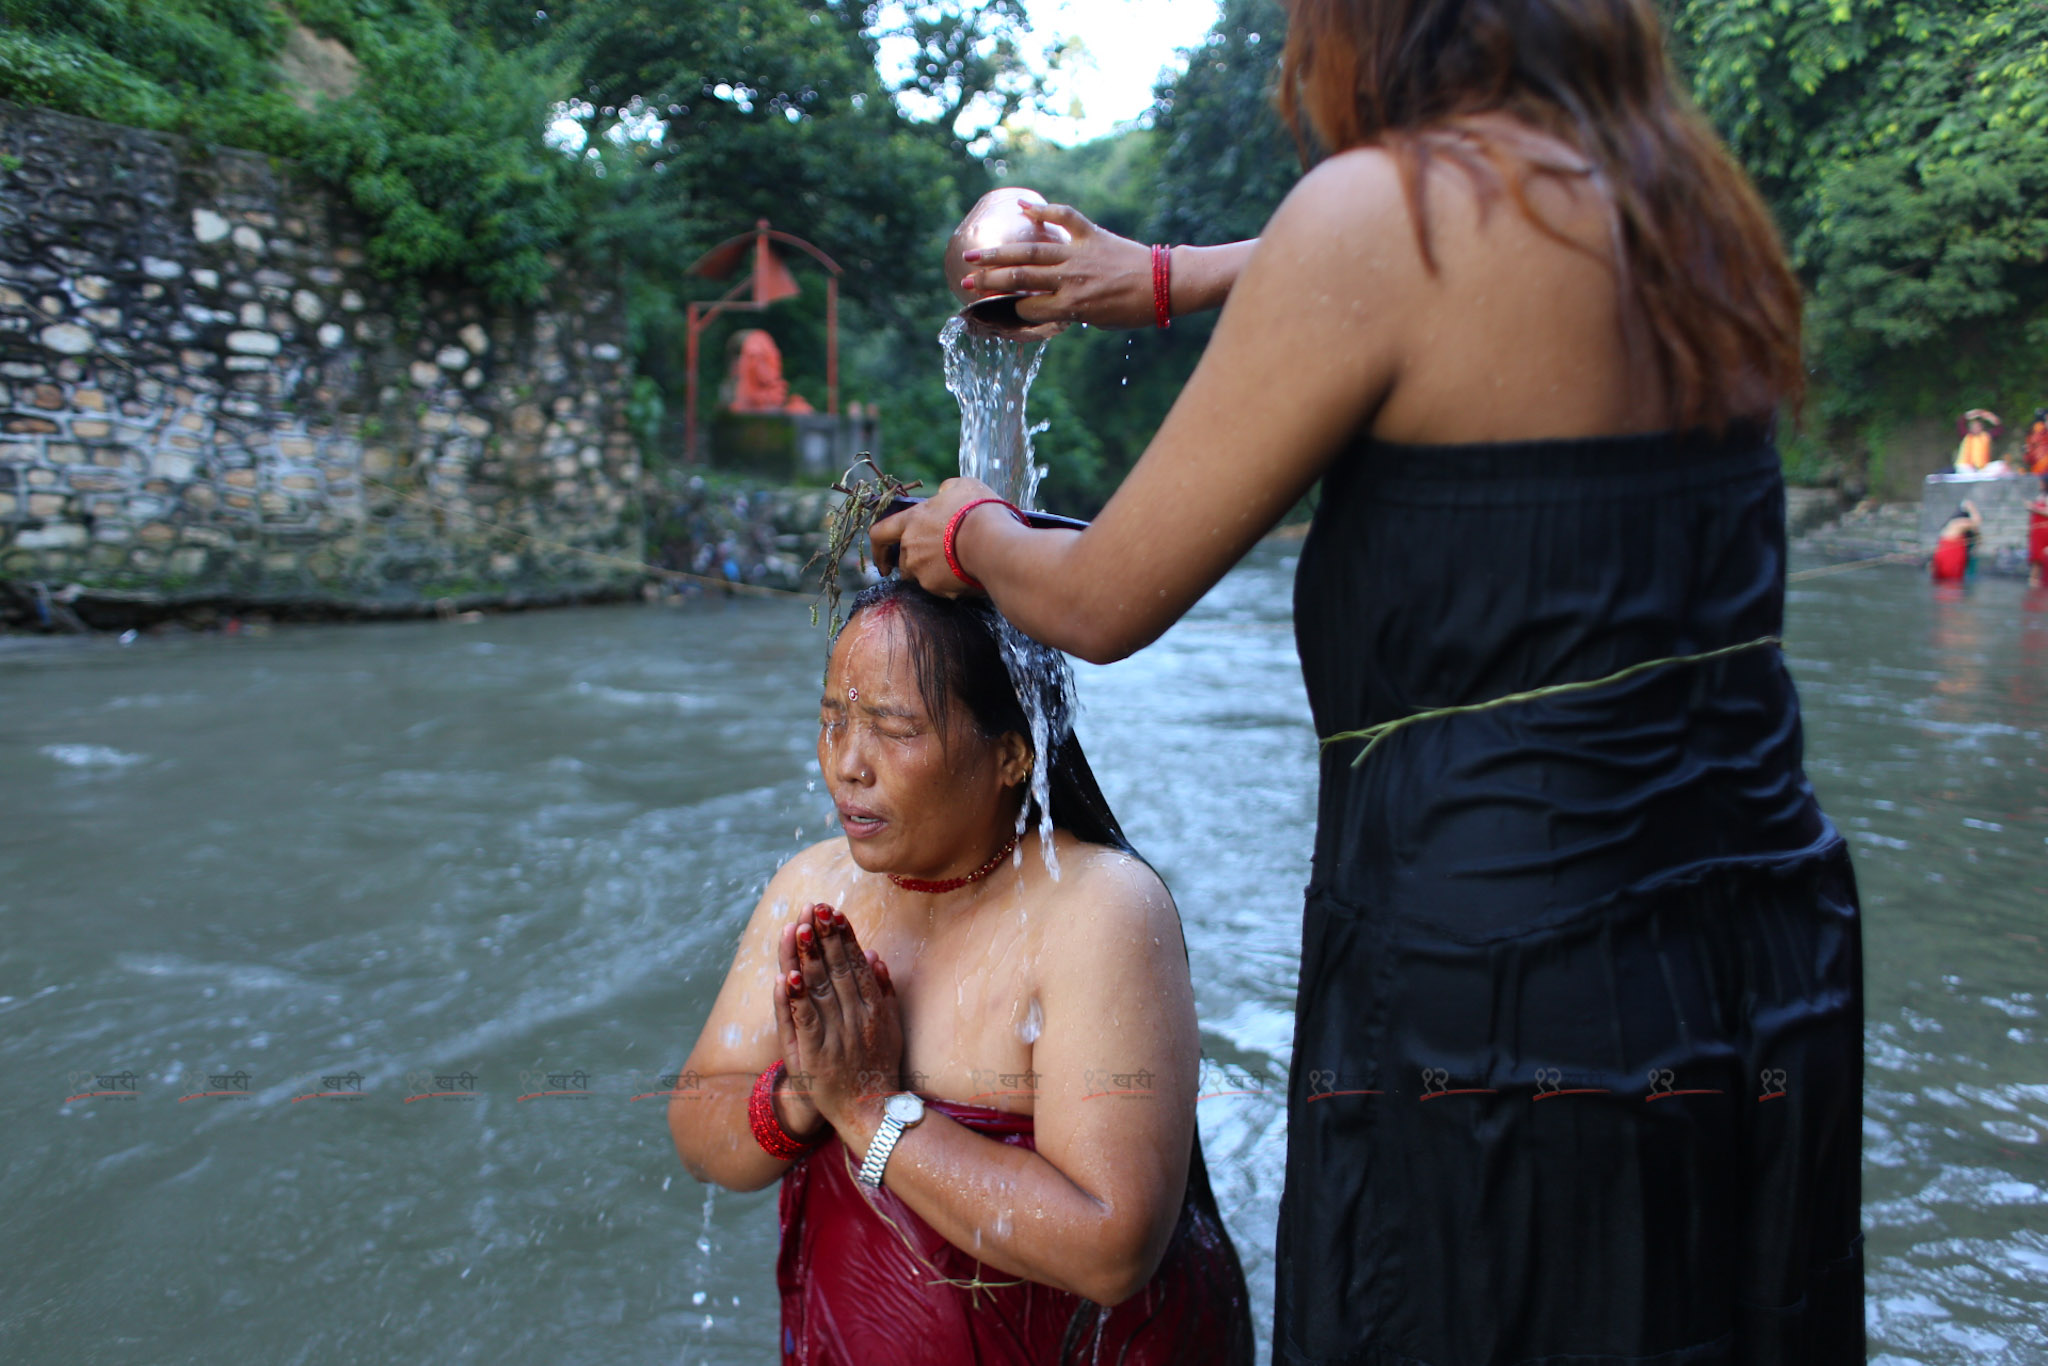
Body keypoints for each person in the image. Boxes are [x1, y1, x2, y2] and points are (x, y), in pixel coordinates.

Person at [874, 1, 1866, 1362]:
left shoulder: (1378, 218)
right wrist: (1163, 277)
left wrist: (964, 529)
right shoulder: (1688, 204)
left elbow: (1104, 602)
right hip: (1763, 940)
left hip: (1508, 987)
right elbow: (1418, 261)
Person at [667, 577, 1253, 1366]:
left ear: (1011, 753)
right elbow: (700, 1131)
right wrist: (805, 1094)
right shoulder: (812, 885)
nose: (846, 764)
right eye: (831, 720)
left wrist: (873, 1112)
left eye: (894, 729)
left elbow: (1112, 1252)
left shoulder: (1098, 911)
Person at [1931, 500, 1983, 583]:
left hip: (1943, 554)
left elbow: (1977, 536)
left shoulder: (1950, 525)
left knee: (1943, 581)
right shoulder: (1958, 523)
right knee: (1951, 582)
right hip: (1950, 556)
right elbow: (1977, 521)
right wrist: (1971, 508)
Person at [1955, 408, 2003, 473]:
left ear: (1981, 427)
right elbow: (1960, 422)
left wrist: (1988, 416)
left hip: (1982, 469)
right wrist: (1973, 413)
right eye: (1974, 426)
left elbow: (1999, 428)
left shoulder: (1986, 436)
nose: (1976, 428)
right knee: (1964, 468)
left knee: (2001, 465)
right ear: (1970, 428)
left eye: (1978, 426)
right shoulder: (1966, 436)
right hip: (1967, 467)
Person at [2028, 478, 2048, 588]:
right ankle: (2033, 581)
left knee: (2040, 557)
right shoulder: (2040, 496)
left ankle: (2037, 581)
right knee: (2036, 557)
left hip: (2044, 530)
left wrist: (2033, 508)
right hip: (2037, 530)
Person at [2024, 409, 2048, 476]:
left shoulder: (2032, 431)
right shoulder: (2039, 430)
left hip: (2038, 470)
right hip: (2041, 469)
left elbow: (2028, 454)